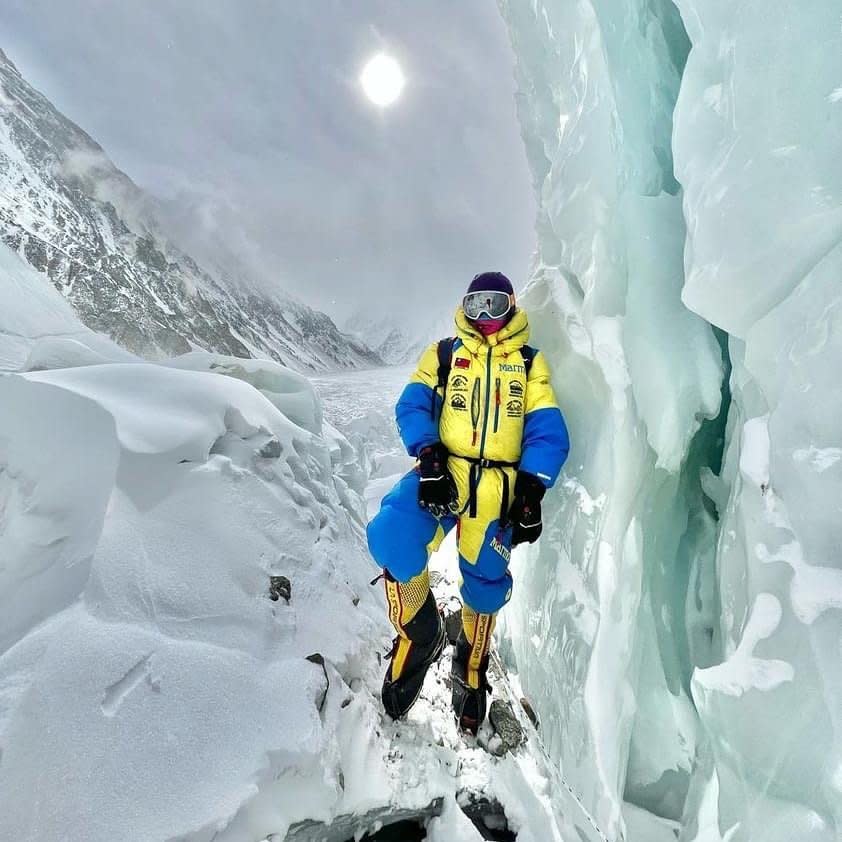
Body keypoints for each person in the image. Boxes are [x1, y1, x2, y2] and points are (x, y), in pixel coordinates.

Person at [366, 271, 570, 733]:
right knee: (391, 534)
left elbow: (546, 427)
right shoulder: (443, 356)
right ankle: (420, 635)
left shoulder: (529, 363)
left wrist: (532, 488)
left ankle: (471, 668)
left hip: (497, 490)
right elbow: (412, 404)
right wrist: (429, 453)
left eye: (493, 304)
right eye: (475, 304)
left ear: (511, 306)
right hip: (445, 474)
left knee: (485, 584)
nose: (483, 316)